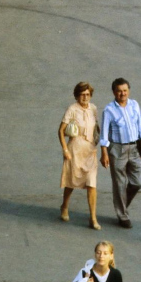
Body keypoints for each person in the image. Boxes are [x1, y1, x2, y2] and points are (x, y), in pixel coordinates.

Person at [100, 78, 141, 229]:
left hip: (134, 148)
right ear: (114, 92)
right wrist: (104, 154)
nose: (123, 94)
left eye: (125, 90)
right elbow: (104, 134)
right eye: (119, 91)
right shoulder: (109, 110)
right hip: (117, 149)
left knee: (137, 182)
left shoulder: (134, 105)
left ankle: (121, 205)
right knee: (119, 184)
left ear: (129, 90)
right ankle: (122, 215)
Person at [59, 82, 101, 229]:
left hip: (90, 150)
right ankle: (64, 206)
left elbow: (96, 128)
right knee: (71, 182)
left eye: (88, 94)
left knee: (91, 183)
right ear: (77, 95)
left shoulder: (93, 108)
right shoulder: (72, 109)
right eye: (82, 94)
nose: (85, 97)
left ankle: (93, 218)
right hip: (75, 149)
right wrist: (65, 150)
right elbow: (61, 130)